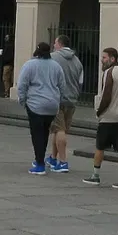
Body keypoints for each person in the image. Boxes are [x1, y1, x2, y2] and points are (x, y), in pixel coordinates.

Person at [86, 47, 118, 189]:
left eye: (104, 58)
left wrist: (99, 111)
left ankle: (95, 175)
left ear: (112, 59)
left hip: (109, 116)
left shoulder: (109, 72)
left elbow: (106, 94)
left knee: (100, 146)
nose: (102, 60)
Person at [15, 41, 65, 175]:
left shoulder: (30, 65)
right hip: (52, 105)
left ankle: (39, 163)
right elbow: (62, 85)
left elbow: (22, 85)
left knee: (36, 134)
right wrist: (59, 100)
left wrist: (22, 100)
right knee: (45, 132)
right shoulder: (56, 66)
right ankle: (40, 159)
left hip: (35, 104)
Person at [47, 35, 84, 173]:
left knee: (59, 129)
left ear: (60, 44)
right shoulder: (77, 61)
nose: (54, 45)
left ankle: (63, 162)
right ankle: (52, 157)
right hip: (72, 99)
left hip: (57, 98)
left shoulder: (53, 58)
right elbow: (80, 82)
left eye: (55, 43)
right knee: (60, 129)